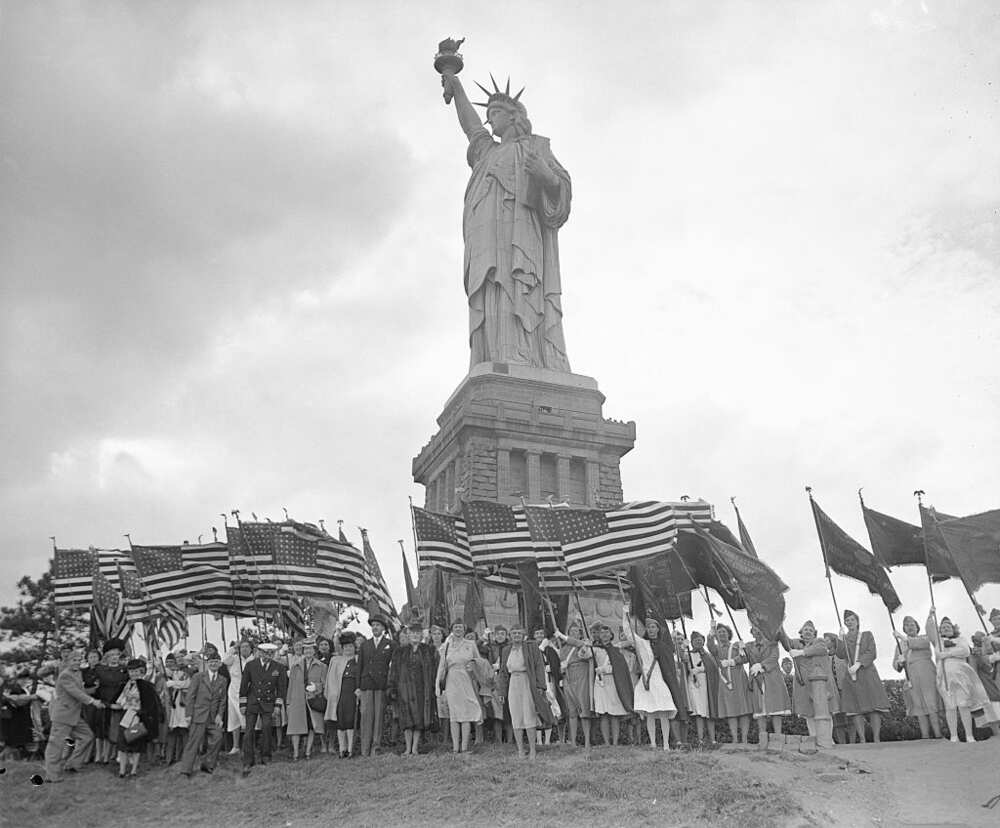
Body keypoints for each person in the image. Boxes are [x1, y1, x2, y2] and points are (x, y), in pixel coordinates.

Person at [439, 67, 572, 371]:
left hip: (522, 237)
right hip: (486, 239)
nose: (490, 118)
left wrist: (545, 175)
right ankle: (496, 356)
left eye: (496, 112)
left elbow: (561, 190)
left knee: (519, 289)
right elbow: (472, 127)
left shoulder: (535, 148)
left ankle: (526, 357)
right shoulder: (486, 152)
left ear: (513, 116)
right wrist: (457, 87)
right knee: (493, 290)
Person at [926, 611, 990, 743]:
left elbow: (965, 651)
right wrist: (930, 615)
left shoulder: (961, 639)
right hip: (944, 677)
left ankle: (969, 735)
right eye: (943, 627)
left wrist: (948, 654)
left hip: (961, 675)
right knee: (950, 707)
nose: (946, 629)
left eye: (948, 627)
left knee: (963, 705)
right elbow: (938, 654)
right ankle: (954, 736)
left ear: (953, 628)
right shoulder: (939, 641)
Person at [44, 649, 105, 782]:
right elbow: (75, 692)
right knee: (56, 745)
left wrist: (96, 690)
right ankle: (52, 775)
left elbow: (81, 691)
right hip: (63, 716)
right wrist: (93, 701)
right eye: (74, 660)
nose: (77, 663)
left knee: (87, 736)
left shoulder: (77, 673)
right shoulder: (65, 675)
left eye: (79, 660)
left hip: (74, 716)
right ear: (68, 661)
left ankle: (72, 764)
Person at [497, 626, 553, 759]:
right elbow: (503, 672)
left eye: (519, 633)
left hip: (527, 681)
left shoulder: (531, 647)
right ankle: (520, 750)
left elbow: (539, 665)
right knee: (516, 716)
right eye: (514, 633)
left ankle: (533, 750)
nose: (516, 635)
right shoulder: (506, 650)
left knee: (529, 714)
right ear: (510, 635)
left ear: (523, 635)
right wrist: (501, 692)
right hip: (513, 683)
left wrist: (541, 685)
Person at [835, 610, 889, 743]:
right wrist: (840, 640)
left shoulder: (867, 635)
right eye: (847, 621)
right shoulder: (844, 638)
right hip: (851, 676)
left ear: (857, 621)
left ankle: (876, 738)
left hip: (867, 673)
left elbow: (872, 652)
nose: (850, 622)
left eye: (852, 620)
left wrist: (859, 663)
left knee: (874, 706)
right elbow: (841, 654)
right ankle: (863, 739)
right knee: (855, 708)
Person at [623, 613, 676, 751]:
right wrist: (625, 614)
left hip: (660, 680)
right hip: (647, 680)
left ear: (658, 629)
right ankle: (653, 743)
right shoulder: (642, 644)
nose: (651, 629)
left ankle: (666, 744)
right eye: (649, 627)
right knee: (650, 713)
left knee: (664, 712)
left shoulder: (664, 646)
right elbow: (629, 633)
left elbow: (669, 664)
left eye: (654, 627)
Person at [387, 624, 437, 756]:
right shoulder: (399, 651)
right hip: (404, 689)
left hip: (422, 689)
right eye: (412, 633)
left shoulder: (428, 650)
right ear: (408, 635)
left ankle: (414, 748)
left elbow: (433, 671)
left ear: (422, 635)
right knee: (406, 719)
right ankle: (407, 748)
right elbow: (393, 672)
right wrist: (392, 688)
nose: (415, 635)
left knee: (419, 718)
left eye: (418, 633)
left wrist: (433, 687)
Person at [239, 642, 288, 774]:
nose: (267, 655)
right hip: (253, 702)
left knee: (267, 729)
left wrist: (278, 706)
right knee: (248, 732)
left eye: (270, 653)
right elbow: (244, 685)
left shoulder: (279, 667)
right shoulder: (250, 665)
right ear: (259, 652)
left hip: (269, 703)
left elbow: (281, 689)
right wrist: (243, 704)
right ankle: (248, 760)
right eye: (265, 652)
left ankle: (266, 757)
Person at [782, 621, 834, 748]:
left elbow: (821, 649)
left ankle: (827, 738)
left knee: (825, 712)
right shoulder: (795, 643)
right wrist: (781, 624)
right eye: (805, 630)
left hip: (821, 683)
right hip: (803, 684)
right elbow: (785, 641)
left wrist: (801, 653)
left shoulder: (819, 641)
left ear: (815, 633)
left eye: (810, 630)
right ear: (801, 632)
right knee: (809, 714)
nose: (808, 632)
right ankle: (814, 738)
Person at [891, 615, 943, 740]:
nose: (910, 627)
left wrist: (902, 638)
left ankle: (938, 735)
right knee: (918, 707)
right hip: (912, 676)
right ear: (904, 628)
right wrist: (900, 662)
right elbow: (895, 665)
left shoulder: (924, 638)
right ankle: (925, 736)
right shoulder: (900, 645)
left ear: (917, 627)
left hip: (927, 673)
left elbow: (920, 644)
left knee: (931, 704)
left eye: (912, 624)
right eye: (907, 625)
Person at [177, 651, 228, 777]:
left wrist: (220, 715)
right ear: (207, 663)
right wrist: (188, 715)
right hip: (198, 715)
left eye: (216, 661)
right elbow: (190, 696)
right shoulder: (198, 677)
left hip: (213, 717)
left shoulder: (223, 680)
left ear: (220, 663)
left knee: (217, 738)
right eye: (211, 662)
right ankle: (186, 770)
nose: (214, 664)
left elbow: (223, 700)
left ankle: (208, 764)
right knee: (194, 742)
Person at [435, 620, 482, 754]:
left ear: (464, 629)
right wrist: (437, 684)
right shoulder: (447, 646)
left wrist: (473, 666)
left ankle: (464, 747)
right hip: (452, 680)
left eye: (460, 627)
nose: (458, 629)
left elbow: (479, 661)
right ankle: (455, 747)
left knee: (466, 712)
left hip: (466, 679)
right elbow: (442, 666)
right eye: (455, 627)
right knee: (454, 714)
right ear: (452, 629)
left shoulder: (470, 644)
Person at [113, 658, 158, 778]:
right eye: (131, 671)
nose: (134, 673)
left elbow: (151, 704)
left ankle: (133, 770)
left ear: (142, 671)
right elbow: (121, 700)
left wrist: (142, 713)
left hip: (139, 717)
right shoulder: (127, 684)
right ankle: (122, 770)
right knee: (122, 744)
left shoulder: (146, 685)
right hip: (126, 715)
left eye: (136, 671)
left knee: (136, 745)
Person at [707, 622, 752, 745]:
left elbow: (746, 658)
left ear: (729, 634)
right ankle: (735, 739)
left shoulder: (737, 646)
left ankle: (744, 739)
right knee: (731, 711)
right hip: (726, 682)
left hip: (739, 680)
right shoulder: (716, 649)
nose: (721, 633)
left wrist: (734, 661)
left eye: (724, 631)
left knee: (744, 710)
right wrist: (711, 631)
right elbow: (710, 645)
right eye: (719, 632)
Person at [356, 615, 395, 757]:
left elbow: (393, 666)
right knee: (366, 716)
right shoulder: (365, 645)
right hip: (366, 684)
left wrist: (391, 685)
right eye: (373, 625)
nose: (375, 628)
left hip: (381, 684)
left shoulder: (390, 644)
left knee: (378, 717)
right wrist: (358, 687)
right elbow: (359, 666)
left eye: (378, 625)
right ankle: (364, 750)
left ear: (383, 628)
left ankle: (375, 748)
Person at [745, 625, 791, 740]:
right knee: (760, 709)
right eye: (755, 630)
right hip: (757, 680)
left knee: (776, 708)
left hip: (772, 678)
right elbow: (743, 659)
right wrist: (735, 658)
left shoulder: (772, 643)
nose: (757, 632)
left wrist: (762, 665)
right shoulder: (748, 646)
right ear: (752, 632)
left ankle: (778, 737)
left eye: (759, 629)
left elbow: (774, 657)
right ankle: (763, 738)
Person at [591, 624, 633, 746]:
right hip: (601, 684)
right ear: (599, 635)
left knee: (614, 714)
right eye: (602, 633)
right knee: (603, 713)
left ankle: (615, 742)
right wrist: (586, 644)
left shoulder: (617, 647)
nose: (604, 635)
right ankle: (606, 743)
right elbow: (583, 654)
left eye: (607, 632)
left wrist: (606, 669)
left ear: (611, 635)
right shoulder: (595, 648)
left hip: (614, 682)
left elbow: (619, 666)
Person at [556, 621, 594, 749]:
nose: (574, 633)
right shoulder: (563, 648)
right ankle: (573, 742)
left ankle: (587, 742)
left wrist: (562, 636)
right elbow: (560, 664)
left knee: (584, 711)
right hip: (568, 678)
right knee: (571, 712)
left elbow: (583, 650)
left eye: (576, 631)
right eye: (571, 631)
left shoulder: (584, 644)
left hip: (581, 677)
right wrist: (561, 668)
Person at [94, 638, 128, 764]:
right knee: (100, 730)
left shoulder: (125, 670)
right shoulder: (100, 669)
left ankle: (109, 755)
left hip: (117, 704)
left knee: (112, 730)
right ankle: (98, 755)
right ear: (107, 656)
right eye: (112, 655)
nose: (114, 657)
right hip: (103, 702)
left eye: (117, 655)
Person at [687, 631, 719, 744]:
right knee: (699, 713)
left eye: (700, 639)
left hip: (707, 685)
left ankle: (713, 739)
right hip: (694, 686)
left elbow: (714, 669)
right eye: (695, 640)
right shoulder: (688, 654)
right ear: (691, 642)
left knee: (708, 711)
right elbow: (684, 666)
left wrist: (701, 669)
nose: (698, 641)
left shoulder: (708, 655)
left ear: (703, 641)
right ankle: (700, 739)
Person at [532, 628, 562, 745]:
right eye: (537, 633)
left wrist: (552, 668)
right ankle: (539, 740)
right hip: (536, 682)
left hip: (548, 682)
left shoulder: (549, 649)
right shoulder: (532, 648)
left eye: (541, 633)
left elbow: (556, 663)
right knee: (537, 709)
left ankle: (548, 740)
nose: (539, 635)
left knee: (549, 707)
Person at [331, 634, 360, 758]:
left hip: (353, 693)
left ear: (354, 647)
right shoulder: (336, 660)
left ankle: (350, 749)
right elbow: (331, 679)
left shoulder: (359, 659)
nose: (348, 649)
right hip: (339, 694)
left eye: (350, 646)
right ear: (342, 648)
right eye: (346, 646)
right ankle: (342, 749)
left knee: (350, 721)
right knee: (340, 721)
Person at [285, 637, 313, 761]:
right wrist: (288, 701)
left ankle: (308, 751)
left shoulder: (321, 665)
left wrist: (316, 687)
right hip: (297, 699)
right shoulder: (295, 666)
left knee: (311, 726)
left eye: (310, 649)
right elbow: (290, 684)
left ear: (314, 651)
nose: (308, 652)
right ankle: (296, 752)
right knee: (295, 727)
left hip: (312, 699)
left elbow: (323, 683)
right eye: (306, 649)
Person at [224, 640, 253, 755]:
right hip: (233, 692)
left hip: (248, 692)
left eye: (247, 646)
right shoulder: (234, 659)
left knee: (246, 719)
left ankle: (248, 746)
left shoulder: (254, 659)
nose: (244, 649)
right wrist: (233, 648)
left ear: (251, 649)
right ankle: (236, 746)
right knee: (234, 719)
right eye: (242, 647)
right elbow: (225, 659)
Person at [969, 631, 1000, 737]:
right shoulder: (974, 654)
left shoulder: (991, 649)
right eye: (976, 639)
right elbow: (976, 670)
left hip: (993, 680)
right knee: (991, 709)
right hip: (985, 683)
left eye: (982, 638)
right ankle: (996, 734)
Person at [164, 653, 192, 763]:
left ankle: (185, 757)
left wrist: (174, 683)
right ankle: (170, 758)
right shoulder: (172, 672)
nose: (179, 660)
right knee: (173, 731)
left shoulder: (189, 671)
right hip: (173, 705)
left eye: (181, 658)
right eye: (177, 659)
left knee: (184, 731)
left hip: (184, 703)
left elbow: (187, 683)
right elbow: (162, 670)